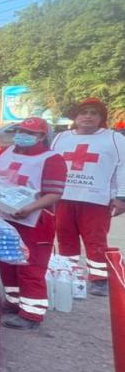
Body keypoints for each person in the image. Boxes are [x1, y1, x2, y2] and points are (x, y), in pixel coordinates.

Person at [0, 118, 67, 329]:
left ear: (42, 136)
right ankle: (14, 301)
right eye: (20, 130)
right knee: (6, 261)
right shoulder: (5, 153)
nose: (22, 134)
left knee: (30, 265)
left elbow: (54, 194)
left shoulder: (52, 159)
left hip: (35, 220)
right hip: (5, 216)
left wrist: (29, 208)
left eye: (30, 132)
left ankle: (32, 313)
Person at [51, 98, 125, 296]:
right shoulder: (61, 138)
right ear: (76, 117)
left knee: (96, 240)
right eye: (84, 112)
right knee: (65, 238)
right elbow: (49, 165)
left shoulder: (114, 138)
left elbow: (123, 168)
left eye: (94, 113)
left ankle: (99, 278)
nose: (88, 117)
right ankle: (70, 275)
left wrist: (122, 196)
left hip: (96, 199)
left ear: (101, 118)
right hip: (63, 197)